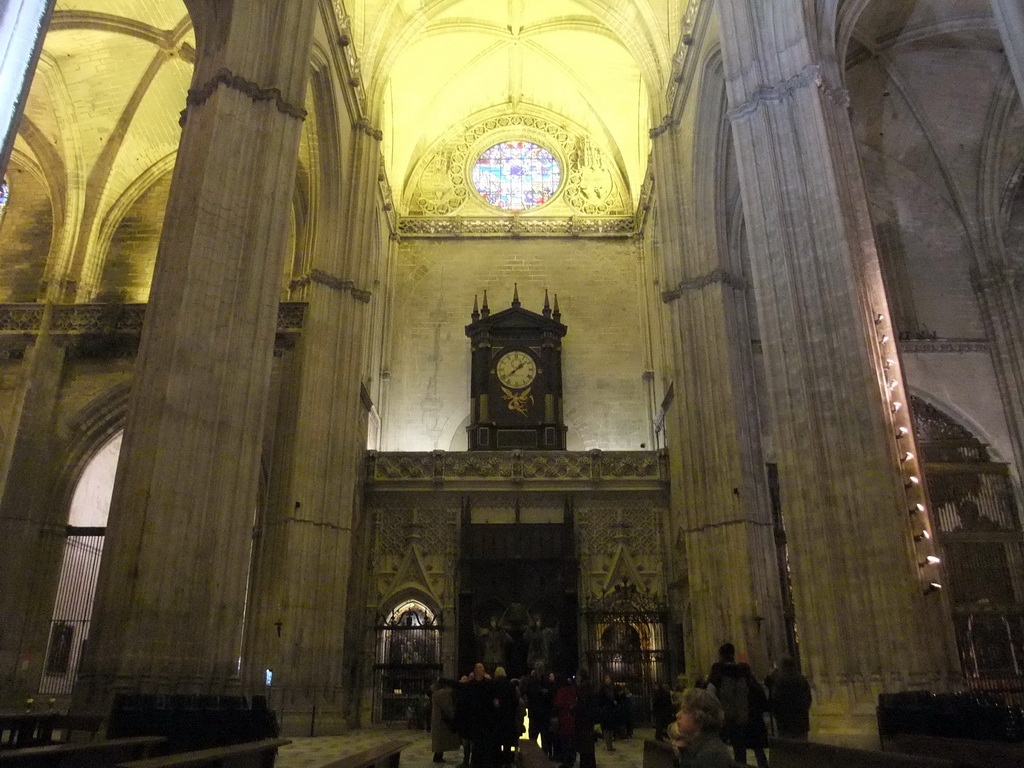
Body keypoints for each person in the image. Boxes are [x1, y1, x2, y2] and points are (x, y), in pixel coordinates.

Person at [708, 643, 768, 768]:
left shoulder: (718, 672)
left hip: (724, 717)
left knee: (718, 750)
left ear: (721, 655)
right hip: (742, 716)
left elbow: (710, 694)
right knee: (741, 752)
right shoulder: (744, 673)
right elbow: (759, 696)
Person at [668, 688, 735, 768]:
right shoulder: (696, 747)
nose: (678, 715)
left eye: (685, 711)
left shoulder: (712, 755)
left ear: (700, 718)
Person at [766, 655, 812, 739]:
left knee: (789, 747)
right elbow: (808, 698)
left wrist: (777, 715)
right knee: (801, 747)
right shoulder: (801, 678)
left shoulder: (780, 680)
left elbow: (775, 699)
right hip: (801, 721)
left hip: (785, 723)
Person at [432, 679, 461, 763]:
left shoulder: (435, 693)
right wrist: (452, 715)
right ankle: (438, 756)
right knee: (441, 740)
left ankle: (438, 755)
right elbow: (447, 707)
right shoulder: (442, 693)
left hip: (437, 719)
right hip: (442, 720)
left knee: (438, 740)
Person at [573, 668, 597, 768]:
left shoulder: (583, 687)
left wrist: (574, 708)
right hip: (589, 720)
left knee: (585, 747)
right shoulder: (590, 686)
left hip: (584, 720)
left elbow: (582, 704)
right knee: (589, 747)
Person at [597, 673, 620, 752]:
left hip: (611, 710)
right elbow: (601, 700)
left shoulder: (612, 688)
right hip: (605, 710)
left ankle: (610, 744)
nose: (607, 680)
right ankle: (608, 745)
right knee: (607, 728)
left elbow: (616, 696)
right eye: (606, 678)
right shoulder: (603, 689)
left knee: (610, 728)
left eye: (608, 678)